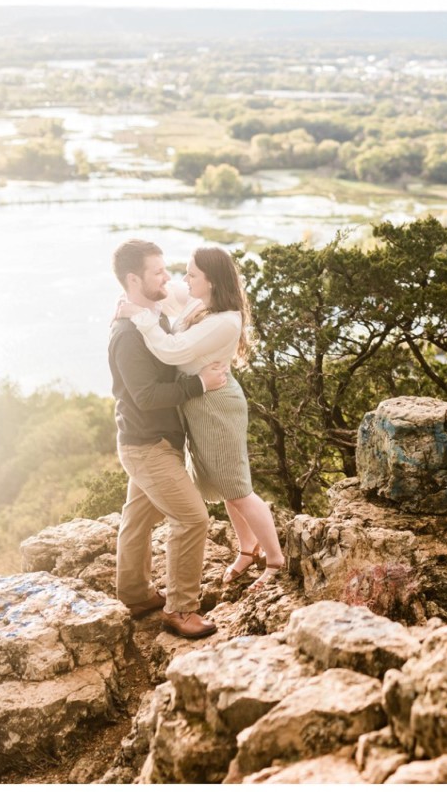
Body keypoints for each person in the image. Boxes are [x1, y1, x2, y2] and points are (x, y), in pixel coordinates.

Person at [117, 246, 285, 592]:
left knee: (237, 488)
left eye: (191, 274)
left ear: (210, 280)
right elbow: (156, 289)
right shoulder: (197, 300)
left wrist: (140, 316)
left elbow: (173, 351)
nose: (183, 279)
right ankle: (246, 548)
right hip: (198, 401)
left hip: (215, 404)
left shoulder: (225, 320)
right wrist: (128, 303)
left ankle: (275, 561)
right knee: (222, 483)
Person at [109, 238, 227, 638]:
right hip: (147, 444)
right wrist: (200, 384)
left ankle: (136, 594)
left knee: (138, 518)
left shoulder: (150, 316)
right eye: (158, 272)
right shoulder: (128, 334)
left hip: (146, 440)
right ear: (133, 279)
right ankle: (180, 610)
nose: (167, 277)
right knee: (193, 519)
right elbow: (145, 396)